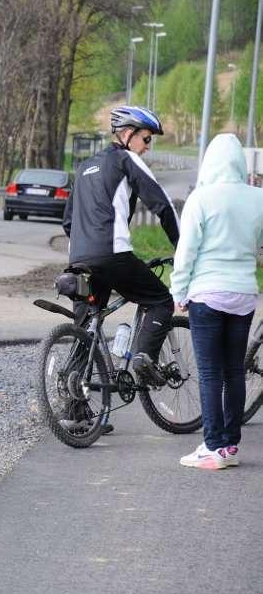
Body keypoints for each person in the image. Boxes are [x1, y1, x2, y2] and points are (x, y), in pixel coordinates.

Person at [63, 105, 180, 391]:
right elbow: (162, 205)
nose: (148, 147)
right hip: (112, 254)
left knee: (85, 328)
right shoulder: (125, 159)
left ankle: (74, 407)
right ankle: (145, 358)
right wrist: (184, 248)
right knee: (160, 301)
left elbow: (67, 221)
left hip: (77, 259)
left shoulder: (83, 167)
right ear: (128, 134)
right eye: (147, 138)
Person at [170, 133, 263, 470]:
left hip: (207, 293)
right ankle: (230, 447)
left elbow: (186, 253)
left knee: (209, 373)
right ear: (239, 163)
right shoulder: (258, 198)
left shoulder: (201, 198)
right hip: (242, 294)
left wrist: (179, 292)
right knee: (234, 372)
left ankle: (212, 446)